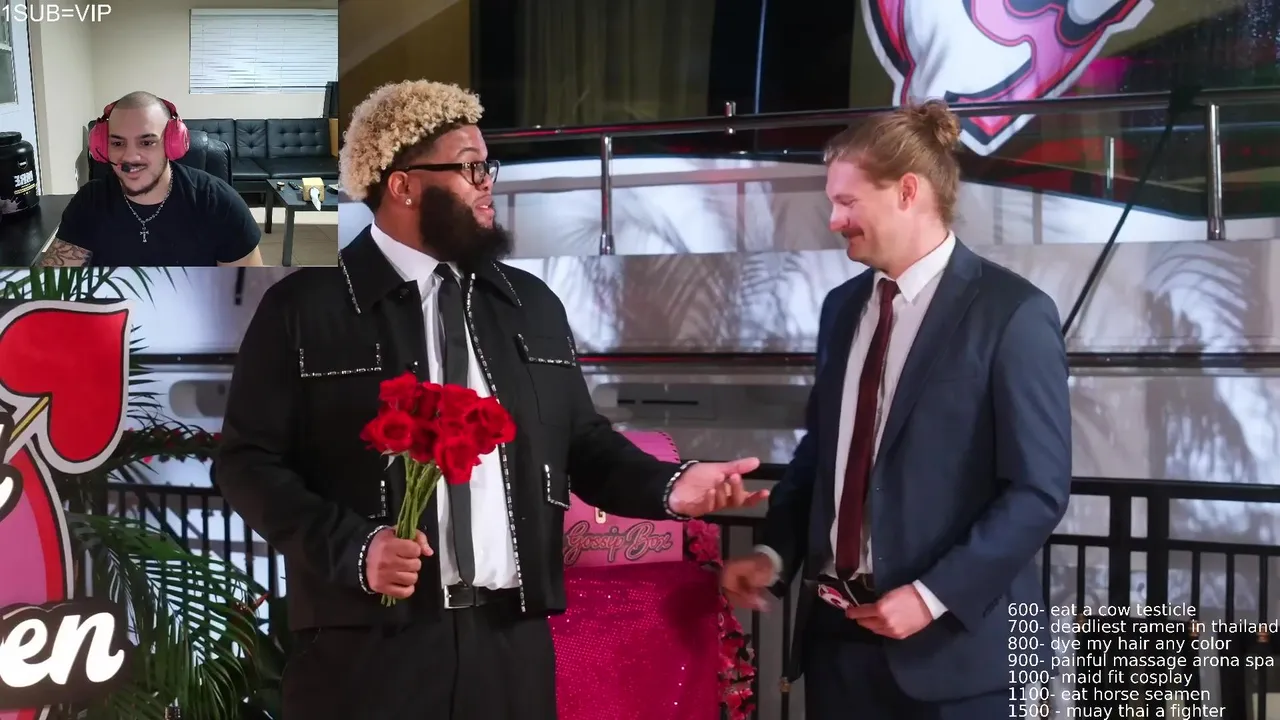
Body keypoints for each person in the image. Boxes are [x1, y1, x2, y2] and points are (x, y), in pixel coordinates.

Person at [214, 79, 768, 720]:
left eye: (487, 166)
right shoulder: (304, 308)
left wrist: (670, 487)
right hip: (366, 650)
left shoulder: (531, 304)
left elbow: (583, 445)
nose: (487, 186)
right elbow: (246, 464)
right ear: (403, 185)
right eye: (469, 167)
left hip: (510, 644)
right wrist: (355, 549)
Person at [720, 100, 1072, 719]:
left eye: (847, 202)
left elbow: (1038, 491)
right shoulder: (841, 309)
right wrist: (773, 555)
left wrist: (933, 596)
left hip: (957, 661)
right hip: (838, 651)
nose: (835, 220)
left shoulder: (1013, 314)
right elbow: (823, 453)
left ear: (908, 192)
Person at [39, 91, 264, 267]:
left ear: (172, 144)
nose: (130, 157)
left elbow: (247, 297)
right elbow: (51, 288)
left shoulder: (220, 203)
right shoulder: (89, 201)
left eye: (147, 142)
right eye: (117, 143)